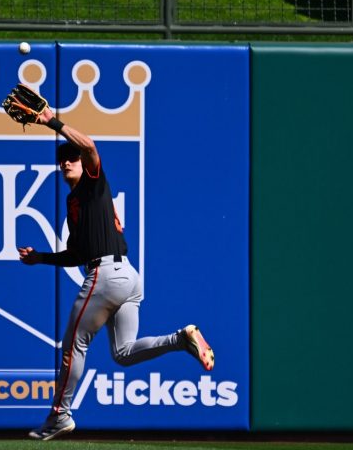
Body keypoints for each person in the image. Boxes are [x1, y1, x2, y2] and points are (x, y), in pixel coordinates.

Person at [18, 106, 215, 441]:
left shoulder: (93, 185)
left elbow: (91, 147)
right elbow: (76, 254)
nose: (66, 162)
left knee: (73, 345)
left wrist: (51, 121)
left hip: (107, 275)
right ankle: (182, 338)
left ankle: (60, 416)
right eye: (62, 159)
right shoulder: (75, 204)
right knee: (123, 354)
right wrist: (41, 258)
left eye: (72, 158)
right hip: (127, 277)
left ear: (82, 164)